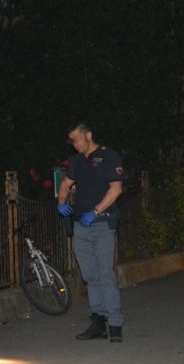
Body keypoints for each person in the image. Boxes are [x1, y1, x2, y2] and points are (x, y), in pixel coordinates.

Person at [56, 122, 124, 343]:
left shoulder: (108, 156)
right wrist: (61, 203)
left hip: (102, 223)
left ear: (89, 135)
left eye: (77, 139)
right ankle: (98, 321)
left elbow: (116, 189)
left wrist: (95, 211)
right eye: (72, 141)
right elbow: (65, 184)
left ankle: (115, 323)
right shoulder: (76, 161)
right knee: (90, 276)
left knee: (105, 274)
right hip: (81, 226)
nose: (75, 144)